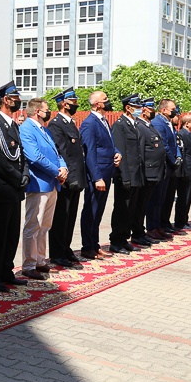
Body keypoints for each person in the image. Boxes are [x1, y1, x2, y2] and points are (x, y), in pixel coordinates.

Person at [0, 82, 31, 290]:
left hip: (15, 189)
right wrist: (16, 177)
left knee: (11, 234)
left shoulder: (14, 126)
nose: (18, 101)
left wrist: (25, 174)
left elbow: (21, 155)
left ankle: (6, 271)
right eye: (15, 98)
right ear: (5, 100)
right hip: (2, 188)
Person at [20, 96, 67, 278]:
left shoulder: (44, 129)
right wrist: (57, 171)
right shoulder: (26, 129)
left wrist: (63, 168)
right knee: (34, 225)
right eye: (47, 110)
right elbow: (34, 156)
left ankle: (40, 260)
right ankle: (29, 264)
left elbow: (56, 152)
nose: (49, 113)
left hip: (52, 182)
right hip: (38, 183)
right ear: (38, 111)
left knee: (45, 225)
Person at [79, 91, 120, 259]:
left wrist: (117, 153)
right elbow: (89, 152)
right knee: (91, 211)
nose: (108, 101)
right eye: (105, 99)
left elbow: (108, 144)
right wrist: (97, 177)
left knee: (99, 211)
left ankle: (94, 244)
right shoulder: (89, 123)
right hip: (97, 176)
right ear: (97, 104)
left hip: (107, 171)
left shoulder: (103, 121)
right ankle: (87, 246)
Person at [47, 88, 85, 269]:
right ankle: (57, 252)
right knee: (61, 217)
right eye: (73, 102)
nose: (76, 104)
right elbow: (61, 153)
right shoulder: (56, 124)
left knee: (70, 217)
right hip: (66, 179)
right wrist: (69, 176)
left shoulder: (70, 123)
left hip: (76, 178)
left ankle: (66, 247)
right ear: (64, 103)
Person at [108, 94, 143, 254]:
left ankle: (124, 238)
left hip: (136, 175)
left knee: (131, 209)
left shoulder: (133, 124)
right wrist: (125, 176)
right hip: (126, 176)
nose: (139, 110)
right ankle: (116, 240)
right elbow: (120, 152)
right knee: (122, 209)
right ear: (128, 108)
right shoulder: (120, 125)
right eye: (137, 107)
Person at [131, 97, 164, 247]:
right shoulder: (139, 126)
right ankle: (137, 233)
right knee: (140, 206)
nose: (153, 112)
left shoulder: (149, 126)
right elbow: (141, 152)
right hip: (146, 172)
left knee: (144, 205)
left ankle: (140, 232)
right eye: (151, 109)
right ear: (144, 110)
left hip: (154, 172)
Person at [147, 99, 181, 240]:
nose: (174, 111)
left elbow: (175, 142)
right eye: (172, 108)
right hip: (163, 165)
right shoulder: (158, 123)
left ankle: (158, 226)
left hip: (169, 165)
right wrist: (173, 160)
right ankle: (152, 228)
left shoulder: (168, 123)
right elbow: (164, 145)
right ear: (164, 110)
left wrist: (178, 156)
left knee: (162, 199)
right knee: (155, 199)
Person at [173, 115, 191, 230]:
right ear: (187, 123)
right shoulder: (182, 134)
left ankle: (184, 219)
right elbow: (184, 154)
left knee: (188, 197)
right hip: (187, 171)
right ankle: (180, 221)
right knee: (184, 197)